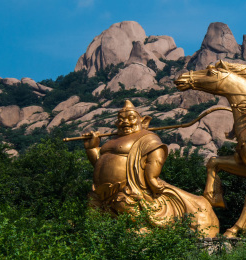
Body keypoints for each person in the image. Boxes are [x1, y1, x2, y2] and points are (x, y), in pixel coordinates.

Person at [83, 100, 219, 237]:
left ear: (143, 121)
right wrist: (91, 148)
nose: (125, 122)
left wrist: (151, 177)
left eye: (130, 118)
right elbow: (100, 163)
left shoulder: (146, 137)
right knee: (93, 214)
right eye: (121, 119)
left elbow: (156, 156)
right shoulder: (111, 141)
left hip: (129, 189)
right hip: (102, 192)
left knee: (125, 204)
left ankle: (141, 227)